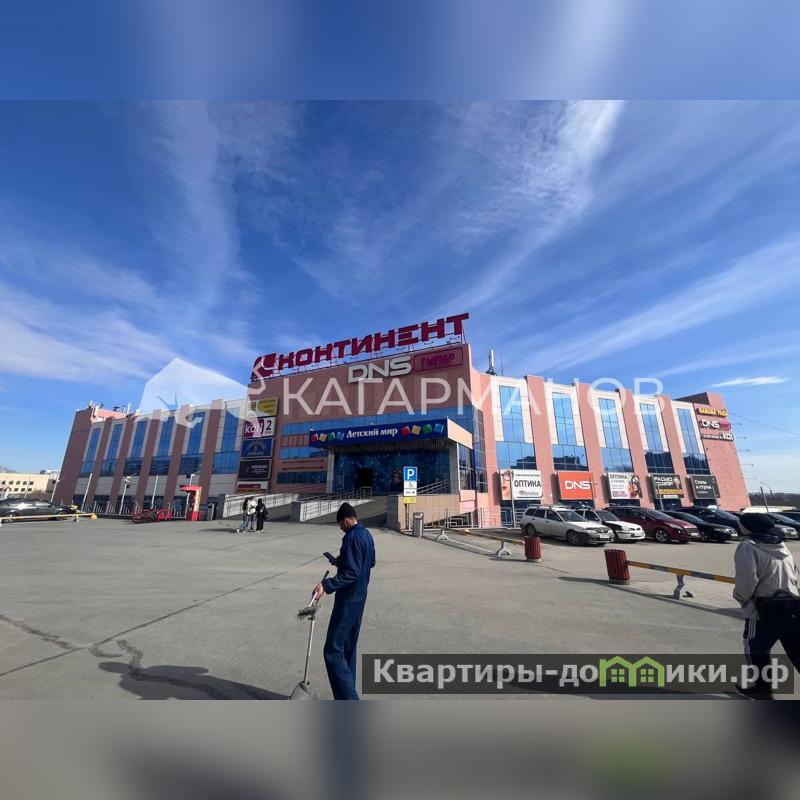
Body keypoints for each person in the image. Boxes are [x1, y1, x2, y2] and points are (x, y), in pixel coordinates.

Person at [312, 502, 376, 700]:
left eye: (341, 523)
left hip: (348, 600)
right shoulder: (367, 535)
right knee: (347, 648)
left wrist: (326, 585)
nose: (340, 527)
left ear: (347, 519)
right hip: (360, 597)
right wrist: (342, 561)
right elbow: (370, 561)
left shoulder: (351, 537)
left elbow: (351, 573)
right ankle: (346, 697)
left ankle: (349, 700)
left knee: (332, 650)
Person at [733, 513, 800, 698]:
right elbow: (794, 574)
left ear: (748, 527)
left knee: (755, 649)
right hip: (791, 606)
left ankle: (763, 689)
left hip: (762, 609)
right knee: (796, 650)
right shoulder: (781, 545)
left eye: (741, 523)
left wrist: (740, 598)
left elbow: (747, 580)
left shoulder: (748, 546)